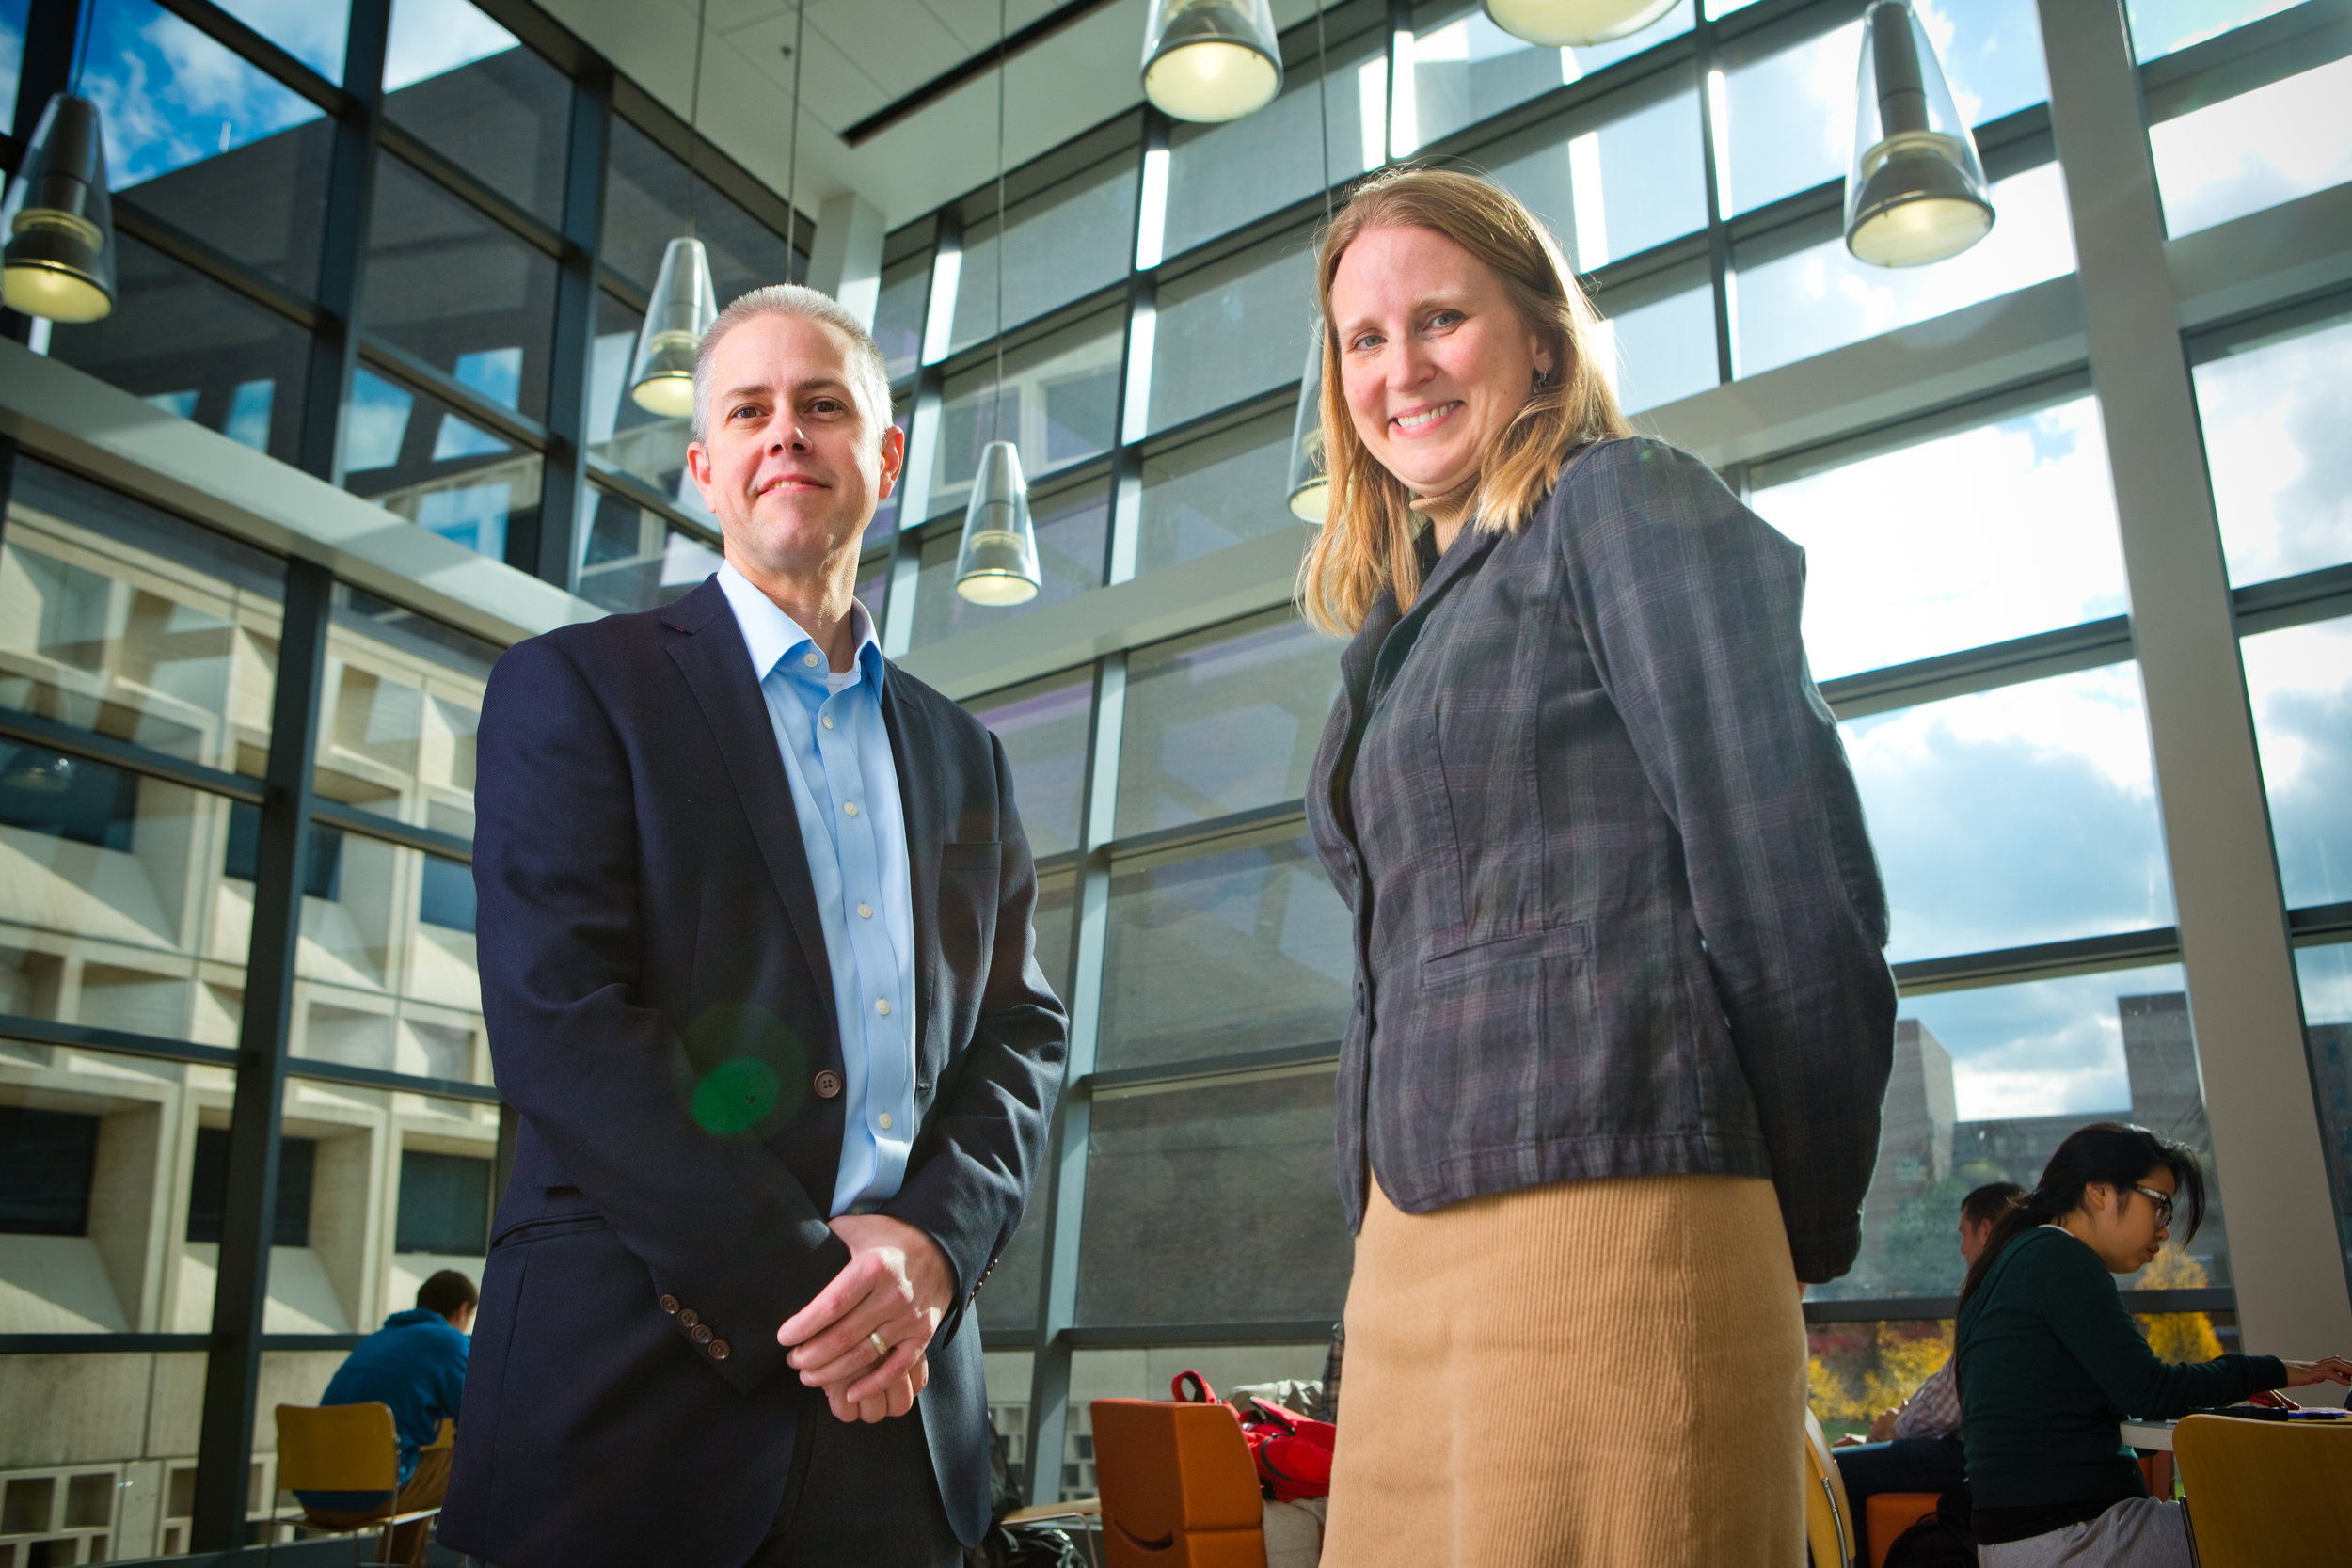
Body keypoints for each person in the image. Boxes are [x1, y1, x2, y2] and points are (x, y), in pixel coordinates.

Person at [1298, 167, 1898, 1568]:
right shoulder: (1394, 633)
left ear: (1545, 341)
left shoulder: (1626, 505)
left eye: (1439, 317)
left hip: (1626, 1220)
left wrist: (1787, 1213)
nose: (1401, 369)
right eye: (1364, 340)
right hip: (1409, 1246)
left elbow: (1789, 881)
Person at [437, 284, 1069, 1568]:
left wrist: (933, 1254)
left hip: (904, 1431)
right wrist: (818, 1296)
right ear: (706, 465)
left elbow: (1021, 1035)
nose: (787, 433)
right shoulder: (573, 688)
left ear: (884, 462)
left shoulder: (968, 758)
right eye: (751, 409)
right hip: (633, 1413)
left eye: (824, 405)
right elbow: (565, 1022)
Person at [1955, 1122, 2352, 1567]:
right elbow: (2151, 1389)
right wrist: (2267, 1370)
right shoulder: (2059, 1257)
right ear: (2100, 1192)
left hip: (2026, 1542)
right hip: (2075, 1540)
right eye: (2160, 1205)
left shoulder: (2013, 1260)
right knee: (2296, 1522)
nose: (2164, 1231)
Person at [1831, 1181, 2025, 1558]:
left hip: (1974, 1458)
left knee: (1832, 1473)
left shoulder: (1997, 1290)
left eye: (1964, 1234)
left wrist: (1893, 1430)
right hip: (1983, 1451)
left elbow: (1952, 1397)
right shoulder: (2018, 1284)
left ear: (1986, 1230)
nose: (1962, 1248)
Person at [296, 1269, 477, 1564]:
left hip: (313, 1495)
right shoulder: (449, 1342)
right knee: (476, 1468)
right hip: (370, 1496)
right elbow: (478, 1420)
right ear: (462, 1310)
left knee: (410, 1467)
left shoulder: (378, 1340)